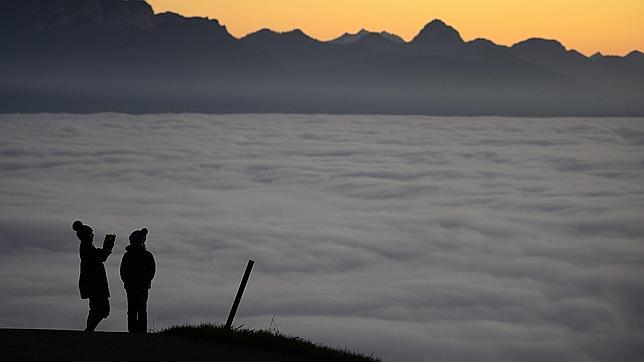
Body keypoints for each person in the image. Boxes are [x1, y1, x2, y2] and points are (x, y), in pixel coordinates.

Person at [73, 220, 115, 332]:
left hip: (93, 283)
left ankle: (89, 330)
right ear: (87, 235)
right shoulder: (87, 247)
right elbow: (102, 256)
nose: (93, 235)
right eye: (91, 233)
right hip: (95, 283)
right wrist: (108, 246)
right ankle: (89, 330)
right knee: (101, 308)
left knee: (98, 308)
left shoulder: (86, 247)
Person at [120, 228, 155, 333]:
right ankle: (138, 331)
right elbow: (151, 270)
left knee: (135, 308)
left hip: (137, 286)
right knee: (138, 308)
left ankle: (135, 330)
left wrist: (127, 281)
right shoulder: (146, 255)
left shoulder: (128, 255)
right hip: (138, 286)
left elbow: (123, 271)